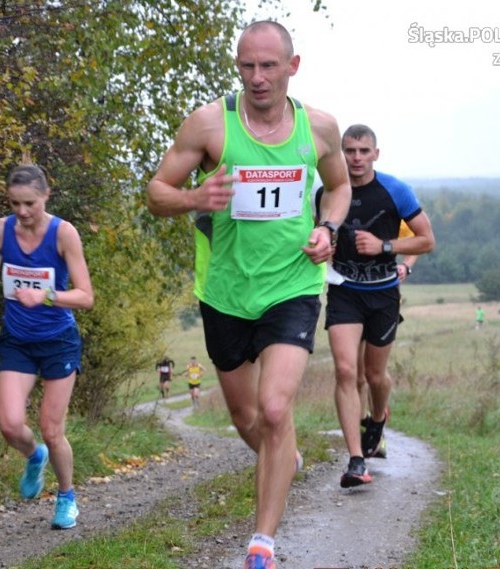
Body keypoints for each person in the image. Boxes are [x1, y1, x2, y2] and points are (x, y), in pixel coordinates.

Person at [146, 20, 351, 568]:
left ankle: (262, 543)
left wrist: (327, 230)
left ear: (292, 66)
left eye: (267, 65)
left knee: (275, 407)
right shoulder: (211, 124)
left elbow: (339, 186)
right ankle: (283, 459)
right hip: (225, 292)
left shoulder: (320, 129)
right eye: (246, 66)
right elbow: (156, 192)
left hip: (294, 283)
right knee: (249, 422)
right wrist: (195, 198)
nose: (256, 78)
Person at [0, 164, 94, 531]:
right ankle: (34, 456)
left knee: (51, 428)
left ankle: (66, 497)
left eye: (30, 203)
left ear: (46, 196)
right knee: (11, 426)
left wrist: (45, 296)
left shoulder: (64, 234)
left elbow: (86, 296)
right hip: (17, 339)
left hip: (58, 340)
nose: (23, 212)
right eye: (15, 203)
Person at [324, 124, 434, 489]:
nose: (356, 158)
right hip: (343, 289)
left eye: (363, 151)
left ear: (375, 154)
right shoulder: (327, 190)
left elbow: (426, 240)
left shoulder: (395, 189)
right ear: (342, 153)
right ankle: (356, 461)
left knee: (374, 376)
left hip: (383, 292)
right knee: (345, 371)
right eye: (350, 151)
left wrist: (385, 247)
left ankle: (377, 418)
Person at [354, 220, 420, 458]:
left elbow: (416, 238)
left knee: (374, 373)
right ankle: (365, 432)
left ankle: (377, 424)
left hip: (382, 299)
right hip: (348, 297)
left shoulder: (386, 203)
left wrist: (406, 266)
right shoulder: (340, 201)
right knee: (355, 374)